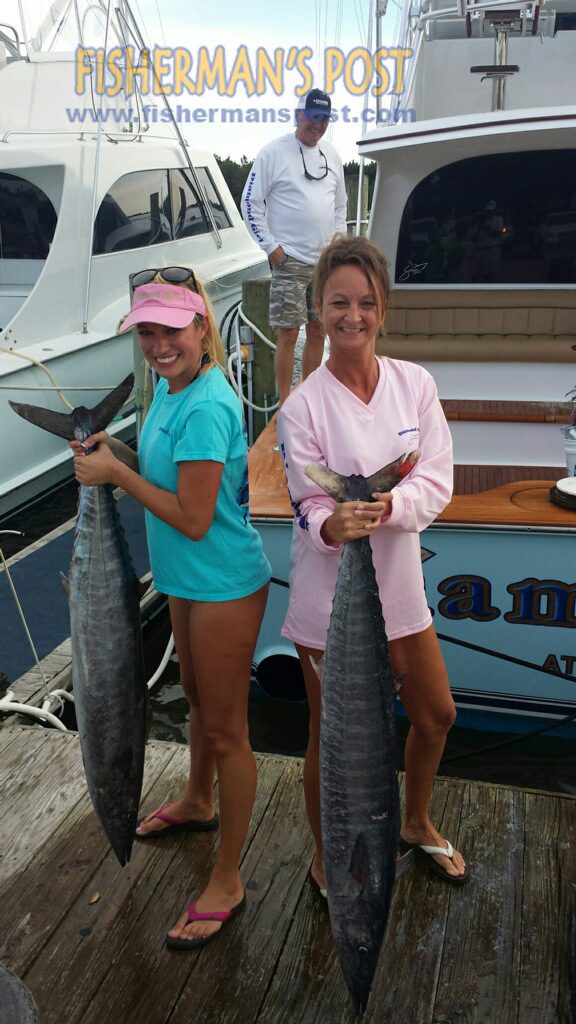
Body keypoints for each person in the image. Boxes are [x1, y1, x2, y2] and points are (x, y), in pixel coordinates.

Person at [71, 268, 271, 948]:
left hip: (222, 580)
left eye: (171, 329)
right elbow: (160, 470)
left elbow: (191, 516)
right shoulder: (167, 389)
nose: (159, 344)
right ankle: (198, 799)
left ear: (202, 326)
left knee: (226, 730)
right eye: (148, 331)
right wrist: (110, 450)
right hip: (188, 582)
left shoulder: (208, 403)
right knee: (191, 695)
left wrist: (115, 476)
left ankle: (229, 877)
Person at [276, 235, 468, 895]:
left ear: (383, 307)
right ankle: (327, 858)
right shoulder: (301, 406)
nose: (352, 316)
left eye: (365, 302)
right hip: (329, 602)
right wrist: (332, 522)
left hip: (401, 591)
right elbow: (302, 503)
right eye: (338, 303)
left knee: (436, 713)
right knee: (331, 736)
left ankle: (414, 821)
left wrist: (390, 505)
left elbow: (437, 480)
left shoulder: (415, 385)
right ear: (318, 310)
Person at [241, 88, 347, 406]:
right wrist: (270, 246)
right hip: (289, 259)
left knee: (319, 329)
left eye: (324, 118)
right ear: (299, 116)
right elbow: (250, 201)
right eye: (313, 117)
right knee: (288, 334)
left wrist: (338, 246)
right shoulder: (273, 153)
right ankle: (286, 400)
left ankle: (310, 393)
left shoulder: (333, 155)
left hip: (325, 263)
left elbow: (340, 206)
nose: (318, 125)